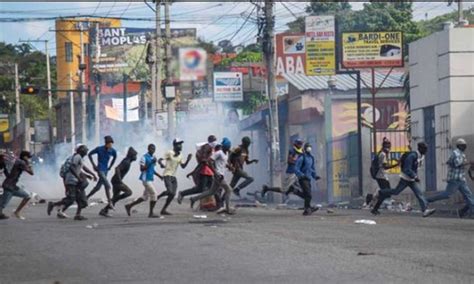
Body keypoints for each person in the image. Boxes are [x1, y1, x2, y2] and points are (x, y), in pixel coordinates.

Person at [371, 142, 436, 217]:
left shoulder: (420, 156)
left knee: (419, 194)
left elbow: (414, 167)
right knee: (395, 192)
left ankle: (425, 210)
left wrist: (414, 176)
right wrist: (415, 176)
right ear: (420, 149)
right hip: (404, 178)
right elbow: (406, 169)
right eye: (425, 149)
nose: (426, 151)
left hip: (411, 179)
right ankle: (380, 193)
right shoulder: (412, 156)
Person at [426, 138, 474, 218]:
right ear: (459, 146)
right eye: (463, 145)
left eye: (465, 145)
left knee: (468, 196)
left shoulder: (462, 154)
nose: (464, 147)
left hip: (461, 179)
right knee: (446, 195)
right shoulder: (455, 153)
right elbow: (458, 163)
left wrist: (469, 166)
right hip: (454, 179)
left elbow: (463, 165)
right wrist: (469, 162)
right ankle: (427, 200)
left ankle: (470, 212)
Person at [48, 145, 96, 220]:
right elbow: (72, 167)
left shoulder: (80, 158)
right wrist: (78, 177)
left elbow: (81, 168)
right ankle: (53, 204)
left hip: (76, 182)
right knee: (71, 199)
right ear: (82, 150)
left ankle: (77, 215)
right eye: (86, 150)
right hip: (72, 181)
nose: (86, 152)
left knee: (82, 200)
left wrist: (90, 175)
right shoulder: (77, 157)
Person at [189, 138, 234, 214]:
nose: (229, 148)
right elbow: (209, 161)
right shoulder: (218, 153)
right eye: (228, 146)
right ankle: (227, 209)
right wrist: (215, 172)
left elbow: (223, 163)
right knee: (229, 190)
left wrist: (229, 167)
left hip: (220, 175)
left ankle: (194, 198)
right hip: (219, 176)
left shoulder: (225, 154)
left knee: (211, 192)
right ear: (226, 146)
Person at [125, 144, 163, 218]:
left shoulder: (153, 157)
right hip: (145, 179)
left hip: (150, 179)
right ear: (148, 149)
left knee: (145, 197)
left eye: (154, 149)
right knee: (154, 194)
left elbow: (152, 169)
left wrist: (159, 176)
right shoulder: (144, 157)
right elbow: (142, 169)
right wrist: (151, 162)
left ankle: (129, 206)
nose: (153, 150)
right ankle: (151, 213)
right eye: (151, 149)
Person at [99, 147, 138, 217]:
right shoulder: (126, 162)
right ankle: (111, 202)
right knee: (129, 192)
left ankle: (104, 210)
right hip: (116, 181)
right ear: (131, 155)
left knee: (115, 198)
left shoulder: (128, 161)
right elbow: (117, 168)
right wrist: (119, 180)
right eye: (135, 155)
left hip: (115, 180)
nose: (136, 157)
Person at [156, 138, 192, 215]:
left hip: (173, 177)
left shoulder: (180, 155)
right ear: (175, 145)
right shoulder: (169, 152)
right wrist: (161, 164)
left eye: (181, 144)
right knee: (169, 191)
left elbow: (183, 166)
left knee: (172, 194)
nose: (181, 146)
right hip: (167, 175)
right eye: (179, 144)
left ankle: (163, 210)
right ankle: (159, 196)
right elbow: (159, 160)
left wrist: (188, 160)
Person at [177, 135, 216, 205]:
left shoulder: (209, 148)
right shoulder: (207, 148)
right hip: (205, 171)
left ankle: (209, 204)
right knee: (202, 189)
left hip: (209, 171)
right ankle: (183, 193)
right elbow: (203, 161)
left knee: (211, 189)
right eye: (214, 140)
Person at [87, 135, 117, 214]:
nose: (111, 145)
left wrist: (110, 166)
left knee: (98, 187)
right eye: (110, 144)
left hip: (105, 170)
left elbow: (115, 157)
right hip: (99, 169)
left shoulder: (112, 151)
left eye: (111, 144)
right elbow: (89, 154)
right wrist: (93, 165)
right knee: (107, 185)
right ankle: (110, 202)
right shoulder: (99, 149)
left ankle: (86, 197)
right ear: (106, 144)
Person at [0, 151, 34, 220]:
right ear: (25, 157)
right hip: (9, 187)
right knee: (2, 204)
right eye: (28, 157)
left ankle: (16, 212)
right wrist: (29, 163)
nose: (29, 159)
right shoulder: (21, 162)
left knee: (28, 196)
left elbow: (7, 174)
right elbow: (31, 172)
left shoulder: (17, 161)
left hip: (11, 186)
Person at [368, 138, 399, 206]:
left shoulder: (382, 153)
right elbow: (385, 167)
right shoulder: (383, 154)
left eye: (389, 146)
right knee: (386, 192)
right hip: (380, 176)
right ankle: (372, 199)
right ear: (385, 147)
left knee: (387, 191)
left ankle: (374, 200)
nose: (389, 148)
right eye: (388, 146)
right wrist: (396, 164)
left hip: (382, 175)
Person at [294, 143, 320, 216]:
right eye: (308, 147)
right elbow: (296, 168)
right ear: (305, 148)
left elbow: (312, 169)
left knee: (306, 195)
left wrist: (315, 176)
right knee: (309, 195)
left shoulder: (311, 158)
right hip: (302, 179)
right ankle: (307, 208)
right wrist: (301, 175)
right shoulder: (302, 158)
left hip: (308, 178)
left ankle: (296, 192)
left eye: (310, 147)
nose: (309, 148)